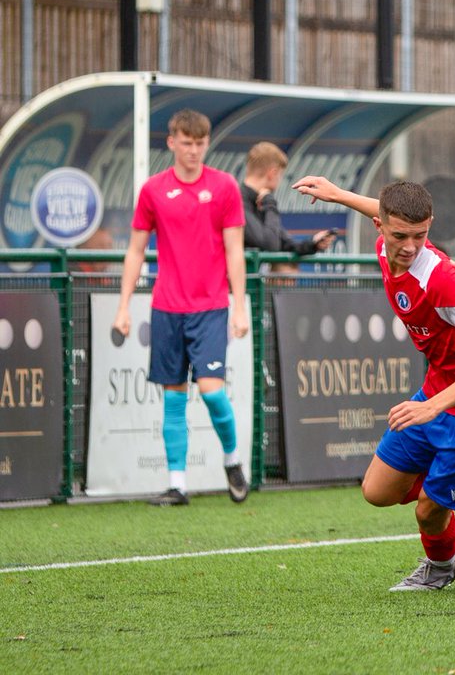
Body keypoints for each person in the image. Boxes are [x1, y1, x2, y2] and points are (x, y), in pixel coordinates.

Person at [290, 175, 455, 593]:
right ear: (381, 228)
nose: (409, 246)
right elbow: (382, 208)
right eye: (400, 235)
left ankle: (441, 567)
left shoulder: (441, 280)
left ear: (431, 226)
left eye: (421, 236)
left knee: (428, 511)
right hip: (439, 392)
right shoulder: (385, 242)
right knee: (377, 490)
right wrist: (336, 194)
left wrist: (432, 406)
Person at [112, 109, 251, 506]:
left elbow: (234, 250)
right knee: (173, 397)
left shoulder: (224, 187)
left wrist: (238, 307)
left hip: (210, 306)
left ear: (207, 144)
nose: (193, 150)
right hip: (166, 307)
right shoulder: (153, 190)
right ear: (171, 142)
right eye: (186, 142)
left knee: (210, 392)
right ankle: (178, 484)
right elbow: (135, 251)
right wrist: (123, 307)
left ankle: (231, 459)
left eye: (200, 143)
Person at [241, 142, 337, 264]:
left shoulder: (259, 200)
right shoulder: (237, 200)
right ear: (273, 173)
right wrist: (270, 203)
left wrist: (313, 243)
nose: (279, 180)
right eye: (280, 175)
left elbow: (286, 244)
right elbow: (271, 245)